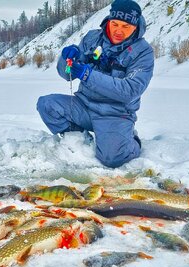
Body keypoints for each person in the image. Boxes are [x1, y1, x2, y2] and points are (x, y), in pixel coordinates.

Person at [37, 0, 154, 168]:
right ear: (109, 20)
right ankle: (80, 141)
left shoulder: (143, 52)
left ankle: (130, 139)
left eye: (126, 27)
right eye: (115, 24)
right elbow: (67, 75)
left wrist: (87, 75)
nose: (119, 31)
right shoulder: (92, 38)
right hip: (83, 106)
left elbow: (130, 90)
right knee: (46, 104)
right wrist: (66, 59)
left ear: (136, 27)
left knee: (112, 159)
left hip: (115, 113)